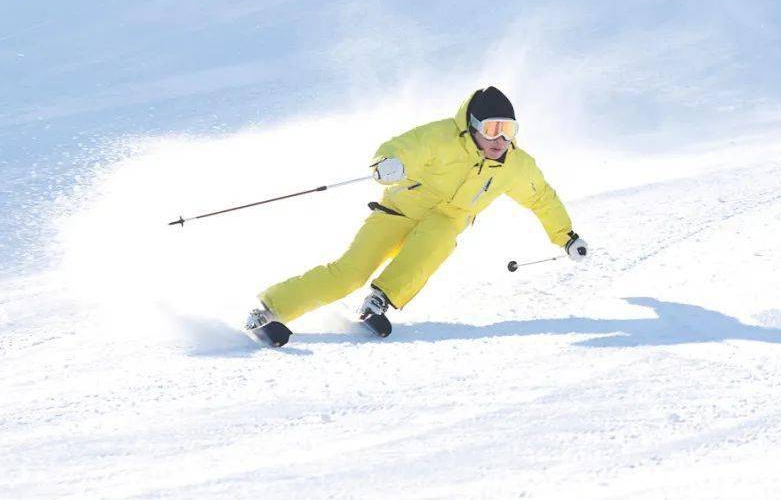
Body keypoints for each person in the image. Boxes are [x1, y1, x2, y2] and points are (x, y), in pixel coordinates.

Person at [244, 86, 588, 345]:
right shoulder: (441, 137)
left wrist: (566, 236)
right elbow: (403, 147)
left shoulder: (516, 165)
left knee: (440, 236)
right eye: (491, 129)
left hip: (444, 221)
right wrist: (388, 164)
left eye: (508, 130)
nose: (499, 140)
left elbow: (541, 197)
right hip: (398, 211)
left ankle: (379, 301)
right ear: (471, 126)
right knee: (349, 273)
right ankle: (268, 312)